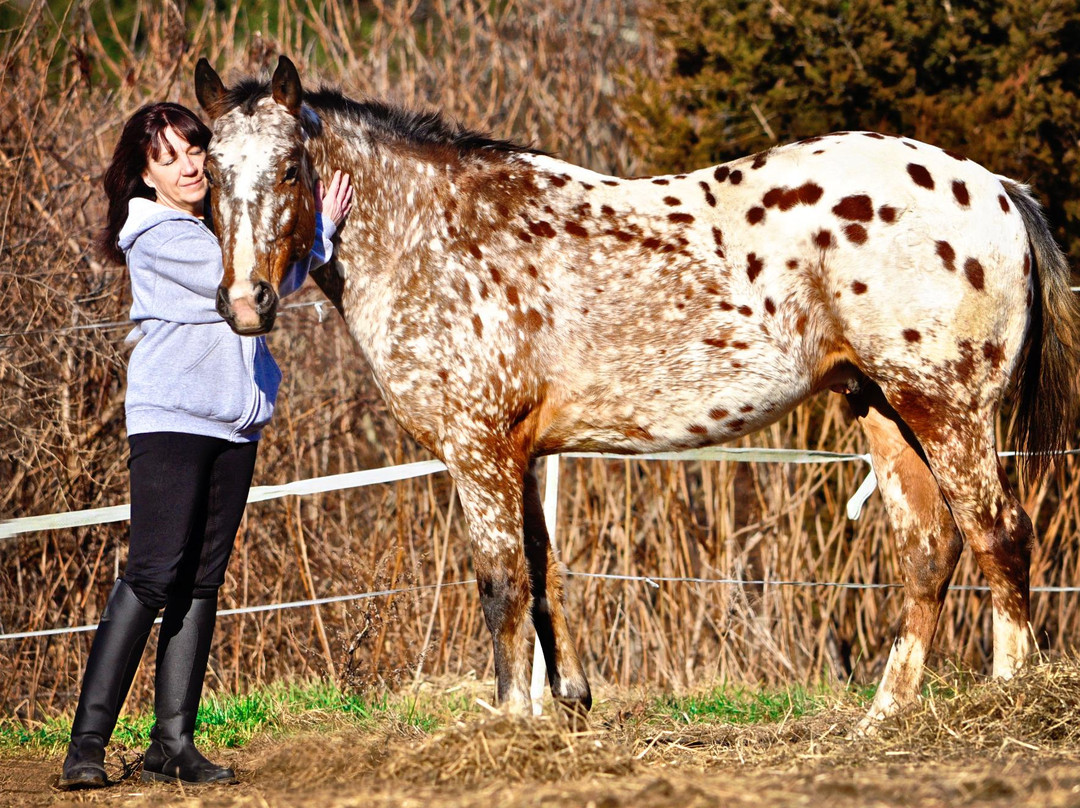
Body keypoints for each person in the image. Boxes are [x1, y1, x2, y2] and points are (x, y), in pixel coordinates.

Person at [57, 102, 352, 789]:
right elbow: (252, 277)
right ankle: (86, 745)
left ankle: (173, 743)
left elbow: (258, 275)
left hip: (233, 423)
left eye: (195, 151)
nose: (189, 166)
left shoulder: (210, 223)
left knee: (201, 582)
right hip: (173, 422)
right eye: (170, 158)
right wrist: (321, 231)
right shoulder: (156, 233)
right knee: (155, 574)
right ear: (145, 175)